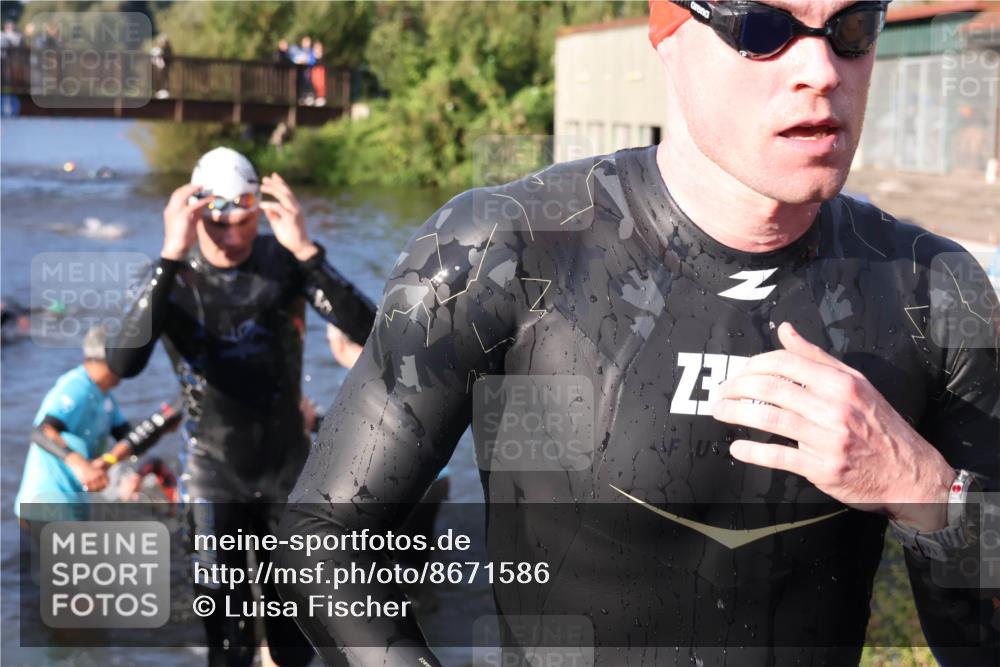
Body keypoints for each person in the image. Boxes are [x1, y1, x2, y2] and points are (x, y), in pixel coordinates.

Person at [275, 2, 1000, 666]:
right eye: (763, 29)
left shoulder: (931, 288)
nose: (820, 71)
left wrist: (928, 491)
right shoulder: (504, 251)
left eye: (851, 28)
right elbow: (319, 539)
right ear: (668, 35)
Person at [105, 146, 376, 667]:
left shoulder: (284, 261)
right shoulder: (172, 275)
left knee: (296, 635)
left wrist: (307, 251)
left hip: (288, 474)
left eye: (244, 224)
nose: (231, 239)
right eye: (217, 225)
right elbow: (123, 360)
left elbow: (370, 332)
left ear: (260, 212)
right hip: (213, 477)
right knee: (227, 642)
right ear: (193, 214)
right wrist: (167, 255)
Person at [14, 326, 178, 523]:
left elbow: (129, 440)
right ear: (107, 359)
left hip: (74, 505)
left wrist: (160, 427)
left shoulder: (105, 395)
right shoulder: (76, 387)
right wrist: (81, 465)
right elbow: (41, 431)